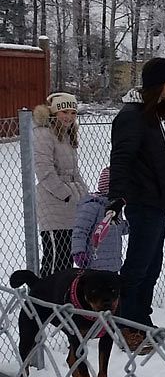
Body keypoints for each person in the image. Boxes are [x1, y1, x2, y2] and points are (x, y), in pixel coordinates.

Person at [109, 57, 165, 353]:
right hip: (142, 203)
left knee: (152, 265)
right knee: (137, 267)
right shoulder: (131, 116)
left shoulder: (149, 114)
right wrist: (116, 199)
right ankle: (127, 326)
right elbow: (122, 160)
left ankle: (142, 321)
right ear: (158, 84)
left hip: (157, 202)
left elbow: (156, 161)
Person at [33, 92, 89, 277]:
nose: (69, 117)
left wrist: (84, 195)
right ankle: (42, 303)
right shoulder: (44, 133)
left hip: (72, 205)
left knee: (66, 261)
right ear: (54, 112)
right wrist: (67, 194)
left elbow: (74, 171)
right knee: (54, 261)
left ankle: (60, 302)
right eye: (64, 111)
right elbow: (44, 171)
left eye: (73, 113)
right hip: (54, 206)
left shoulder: (67, 135)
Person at [72, 167, 128, 271]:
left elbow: (120, 227)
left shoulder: (115, 208)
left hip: (114, 265)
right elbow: (80, 231)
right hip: (94, 263)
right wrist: (79, 252)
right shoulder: (92, 206)